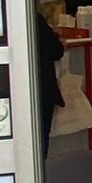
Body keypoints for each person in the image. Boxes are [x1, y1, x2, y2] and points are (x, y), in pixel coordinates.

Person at [35, 11, 64, 159]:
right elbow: (55, 50)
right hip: (40, 87)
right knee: (40, 136)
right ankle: (39, 176)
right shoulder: (32, 17)